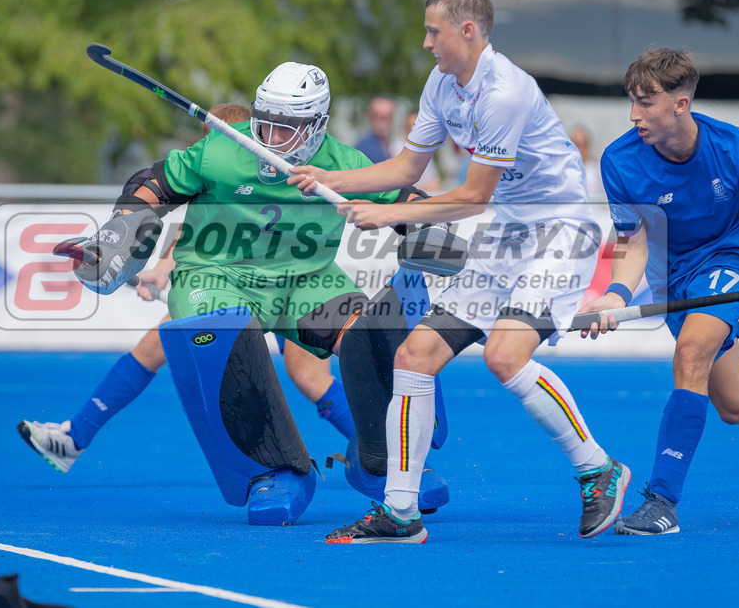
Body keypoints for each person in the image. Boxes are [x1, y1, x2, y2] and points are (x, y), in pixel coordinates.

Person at [32, 63, 451, 526]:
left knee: (372, 334)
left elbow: (405, 198)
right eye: (263, 122)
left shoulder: (345, 163)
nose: (269, 138)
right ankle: (277, 470)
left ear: (316, 128)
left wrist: (430, 231)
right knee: (220, 334)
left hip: (305, 280)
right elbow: (154, 183)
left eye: (286, 129)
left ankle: (382, 461)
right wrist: (118, 237)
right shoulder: (220, 150)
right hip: (216, 276)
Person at [294, 0, 631, 543]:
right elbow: (405, 170)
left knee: (503, 356)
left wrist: (387, 217)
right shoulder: (442, 83)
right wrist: (330, 179)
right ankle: (399, 513)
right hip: (505, 235)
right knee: (415, 355)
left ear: (468, 31)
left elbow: (473, 195)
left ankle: (599, 469)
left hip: (559, 235)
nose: (427, 43)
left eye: (434, 31)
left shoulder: (505, 93)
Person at [576, 47, 739, 535]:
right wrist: (615, 295)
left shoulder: (737, 150)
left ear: (681, 104)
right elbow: (634, 242)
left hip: (728, 259)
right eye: (631, 102)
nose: (635, 115)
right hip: (672, 275)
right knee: (737, 406)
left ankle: (662, 502)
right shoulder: (619, 160)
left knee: (691, 352)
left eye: (646, 103)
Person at [18, 103, 354, 476]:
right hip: (229, 289)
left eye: (214, 139)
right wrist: (158, 268)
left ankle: (383, 455)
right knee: (154, 345)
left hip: (286, 287)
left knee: (310, 377)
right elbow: (194, 235)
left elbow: (218, 237)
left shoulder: (254, 173)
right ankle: (75, 437)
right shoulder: (220, 172)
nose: (205, 149)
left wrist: (164, 268)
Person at [353, 96, 397, 164]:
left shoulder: (393, 144)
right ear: (370, 117)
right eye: (379, 117)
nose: (383, 123)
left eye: (388, 117)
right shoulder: (363, 147)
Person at [569, 125, 605, 201]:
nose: (577, 149)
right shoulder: (562, 170)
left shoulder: (597, 170)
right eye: (574, 144)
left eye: (580, 145)